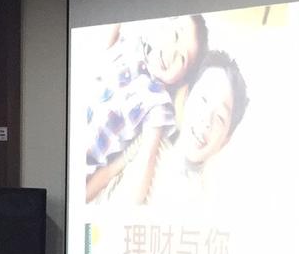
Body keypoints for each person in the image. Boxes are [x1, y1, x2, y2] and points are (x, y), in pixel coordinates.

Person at [83, 15, 208, 203]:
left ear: (183, 79)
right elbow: (106, 37)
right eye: (175, 35)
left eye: (183, 59)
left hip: (82, 163)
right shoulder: (130, 46)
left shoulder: (159, 103)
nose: (171, 54)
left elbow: (146, 162)